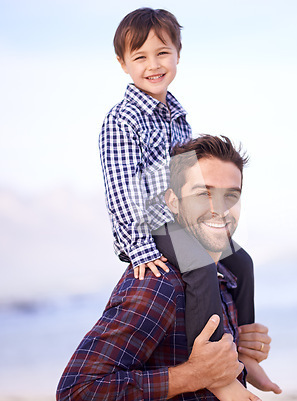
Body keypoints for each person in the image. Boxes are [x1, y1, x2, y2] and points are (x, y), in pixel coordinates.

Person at [98, 8, 278, 393]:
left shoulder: (178, 116)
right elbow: (121, 189)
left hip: (182, 220)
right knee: (198, 269)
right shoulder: (122, 120)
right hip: (149, 227)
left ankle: (244, 357)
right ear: (123, 64)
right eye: (140, 57)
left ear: (178, 53)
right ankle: (219, 375)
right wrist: (141, 249)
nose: (153, 65)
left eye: (162, 53)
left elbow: (189, 179)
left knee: (241, 262)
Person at [57, 135, 279, 400]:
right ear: (173, 202)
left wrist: (242, 350)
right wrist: (193, 375)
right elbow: (77, 391)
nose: (220, 209)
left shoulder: (224, 276)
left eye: (230, 195)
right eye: (203, 193)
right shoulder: (159, 284)